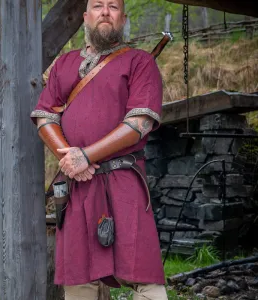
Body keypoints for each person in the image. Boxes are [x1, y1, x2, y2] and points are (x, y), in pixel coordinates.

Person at [31, 0, 167, 299]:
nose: (105, 11)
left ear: (123, 17)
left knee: (143, 273)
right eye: (97, 5)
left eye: (113, 7)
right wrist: (69, 158)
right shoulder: (65, 64)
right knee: (80, 278)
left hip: (124, 180)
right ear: (85, 16)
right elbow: (44, 115)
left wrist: (86, 156)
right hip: (78, 183)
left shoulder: (140, 62)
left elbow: (139, 124)